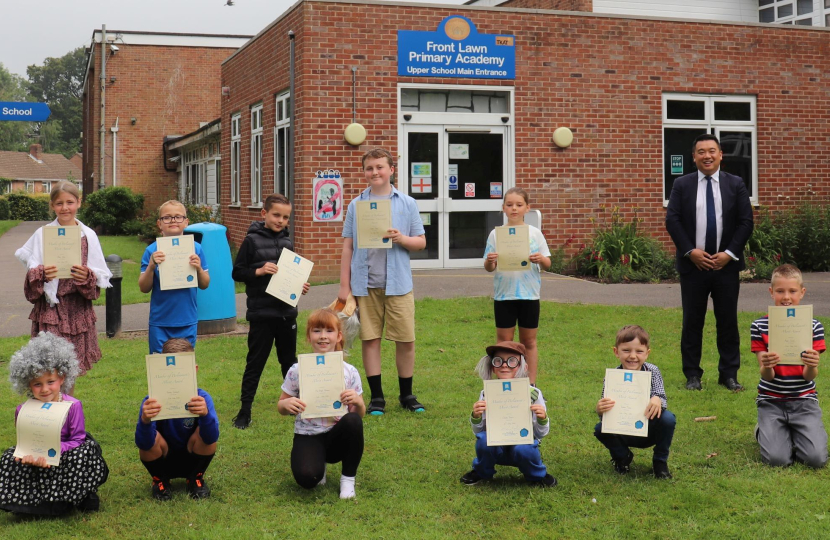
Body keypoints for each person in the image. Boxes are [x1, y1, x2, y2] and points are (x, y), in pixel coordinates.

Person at [338, 148, 426, 415]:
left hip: (399, 284)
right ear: (364, 172)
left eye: (380, 167)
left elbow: (421, 242)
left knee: (406, 340)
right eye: (369, 168)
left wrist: (402, 238)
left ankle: (407, 395)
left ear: (391, 170)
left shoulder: (407, 203)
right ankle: (377, 398)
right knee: (370, 339)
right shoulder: (356, 205)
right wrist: (344, 286)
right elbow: (348, 246)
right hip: (365, 284)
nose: (374, 172)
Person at [666, 133, 754, 391]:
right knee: (692, 322)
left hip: (726, 267)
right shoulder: (682, 184)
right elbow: (673, 220)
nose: (707, 156)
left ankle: (729, 375)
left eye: (712, 151)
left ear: (720, 154)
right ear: (694, 156)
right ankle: (692, 375)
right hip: (693, 267)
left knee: (727, 322)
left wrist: (729, 253)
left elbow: (746, 222)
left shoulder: (735, 184)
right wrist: (690, 251)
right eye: (701, 151)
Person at [15, 182, 112, 391]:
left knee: (70, 369)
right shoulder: (42, 234)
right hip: (51, 309)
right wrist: (41, 273)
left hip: (77, 309)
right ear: (52, 205)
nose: (65, 208)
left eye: (70, 202)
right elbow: (31, 272)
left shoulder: (88, 235)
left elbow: (97, 277)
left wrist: (87, 276)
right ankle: (50, 408)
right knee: (49, 368)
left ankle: (68, 407)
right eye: (59, 203)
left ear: (79, 202)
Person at [0, 332, 108, 515]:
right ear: (28, 383)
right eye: (37, 384)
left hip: (66, 451)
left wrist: (54, 450)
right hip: (37, 455)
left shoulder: (73, 406)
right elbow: (24, 441)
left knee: (83, 453)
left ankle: (76, 496)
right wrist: (28, 454)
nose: (45, 389)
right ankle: (29, 501)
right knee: (9, 457)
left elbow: (77, 439)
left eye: (50, 382)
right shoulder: (22, 410)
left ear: (62, 378)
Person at [231, 193, 310, 429]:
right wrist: (259, 271)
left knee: (290, 364)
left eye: (285, 217)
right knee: (255, 364)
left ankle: (299, 407)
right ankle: (244, 411)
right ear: (264, 213)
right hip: (262, 315)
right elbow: (237, 272)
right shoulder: (251, 241)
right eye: (276, 215)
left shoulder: (287, 243)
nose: (280, 221)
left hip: (286, 314)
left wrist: (300, 285)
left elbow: (290, 275)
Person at [278, 309, 365, 499]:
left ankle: (348, 479)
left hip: (338, 435)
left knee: (353, 421)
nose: (323, 336)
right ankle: (319, 464)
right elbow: (281, 405)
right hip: (308, 434)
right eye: (317, 331)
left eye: (329, 331)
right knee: (307, 478)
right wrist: (287, 404)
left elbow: (359, 413)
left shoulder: (349, 371)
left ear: (339, 336)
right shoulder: (297, 370)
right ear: (309, 336)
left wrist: (358, 402)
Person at [751, 264, 827, 468]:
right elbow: (766, 375)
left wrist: (812, 364)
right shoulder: (759, 326)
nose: (786, 297)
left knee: (816, 459)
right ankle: (763, 430)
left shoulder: (814, 326)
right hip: (771, 401)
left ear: (802, 292)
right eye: (780, 291)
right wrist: (767, 364)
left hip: (804, 401)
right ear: (771, 292)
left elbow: (809, 376)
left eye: (792, 291)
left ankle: (794, 432)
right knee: (778, 460)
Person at [459, 341, 556, 487]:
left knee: (525, 448)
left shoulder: (533, 394)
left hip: (522, 446)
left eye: (512, 361)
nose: (504, 365)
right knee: (483, 440)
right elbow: (478, 432)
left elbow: (540, 434)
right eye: (498, 361)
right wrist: (476, 417)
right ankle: (482, 472)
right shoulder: (487, 393)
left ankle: (537, 475)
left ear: (523, 366)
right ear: (493, 366)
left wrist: (542, 419)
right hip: (496, 446)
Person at [135, 338, 219, 500]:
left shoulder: (202, 398)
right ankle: (160, 480)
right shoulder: (151, 402)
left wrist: (205, 415)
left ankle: (195, 478)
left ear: (194, 369)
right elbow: (143, 445)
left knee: (205, 432)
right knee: (151, 437)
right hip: (163, 456)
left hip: (193, 454)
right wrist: (145, 421)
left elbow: (211, 438)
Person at [483, 187, 551, 384]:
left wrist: (540, 259)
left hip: (529, 295)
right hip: (504, 296)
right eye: (510, 204)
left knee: (528, 341)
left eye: (519, 205)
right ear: (503, 207)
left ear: (527, 208)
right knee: (504, 344)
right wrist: (490, 260)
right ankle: (505, 386)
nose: (514, 208)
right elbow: (489, 267)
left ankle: (531, 385)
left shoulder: (535, 234)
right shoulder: (496, 235)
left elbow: (547, 263)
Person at [594, 325, 675, 479]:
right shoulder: (613, 378)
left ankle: (660, 462)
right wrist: (600, 409)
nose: (632, 356)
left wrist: (657, 399)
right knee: (600, 429)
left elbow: (662, 399)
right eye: (626, 350)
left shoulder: (653, 371)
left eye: (639, 351)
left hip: (649, 429)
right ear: (616, 352)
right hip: (623, 429)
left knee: (668, 419)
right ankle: (622, 457)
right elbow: (607, 415)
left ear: (647, 353)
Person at [139, 200, 210, 354]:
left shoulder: (196, 249)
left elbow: (205, 284)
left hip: (187, 319)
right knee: (160, 364)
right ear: (159, 223)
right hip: (161, 321)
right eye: (167, 217)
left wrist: (198, 269)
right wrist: (151, 266)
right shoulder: (151, 251)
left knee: (184, 364)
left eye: (178, 217)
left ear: (186, 222)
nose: (173, 220)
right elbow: (143, 288)